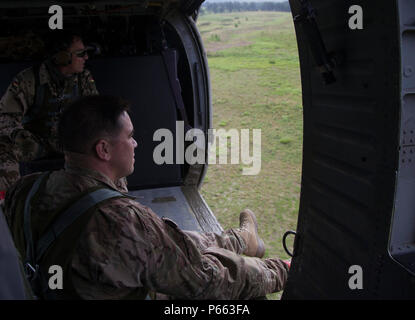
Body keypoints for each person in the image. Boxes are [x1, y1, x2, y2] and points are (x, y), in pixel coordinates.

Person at [4, 95, 289, 300]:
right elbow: (205, 281)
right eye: (129, 136)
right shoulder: (123, 222)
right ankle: (243, 246)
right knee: (221, 274)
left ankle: (242, 239)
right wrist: (281, 271)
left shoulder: (25, 190)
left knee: (175, 240)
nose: (136, 143)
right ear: (103, 149)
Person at [0, 31, 127, 199]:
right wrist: (19, 136)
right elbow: (5, 116)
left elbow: (97, 115)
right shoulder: (29, 79)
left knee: (109, 145)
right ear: (62, 57)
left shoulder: (83, 79)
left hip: (71, 142)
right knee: (3, 148)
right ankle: (11, 202)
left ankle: (117, 202)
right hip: (37, 143)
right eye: (80, 54)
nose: (86, 58)